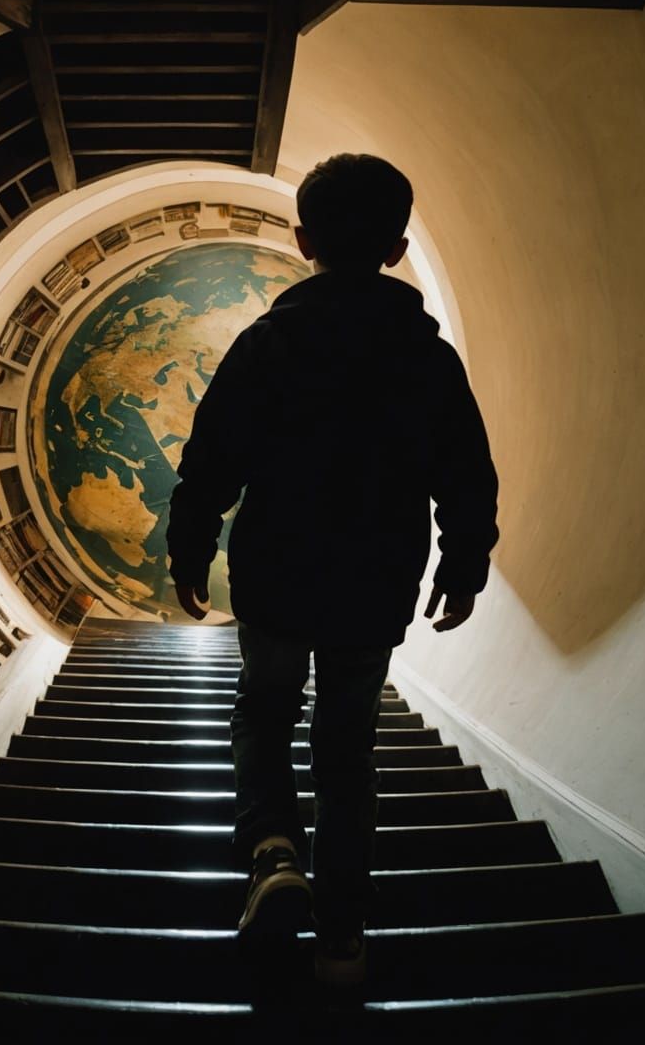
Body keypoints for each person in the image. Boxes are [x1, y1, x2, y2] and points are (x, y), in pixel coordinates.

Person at [165, 153, 500, 990]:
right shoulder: (431, 360)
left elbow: (211, 463)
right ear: (396, 247)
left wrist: (189, 548)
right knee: (348, 749)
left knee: (264, 713)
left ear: (303, 238)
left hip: (278, 579)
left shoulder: (266, 344)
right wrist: (464, 562)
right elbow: (465, 471)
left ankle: (274, 850)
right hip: (374, 587)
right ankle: (344, 932)